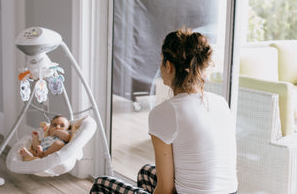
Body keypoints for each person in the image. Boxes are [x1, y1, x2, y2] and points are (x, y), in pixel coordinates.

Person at [90, 27, 238, 194]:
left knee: (101, 184)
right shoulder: (221, 102)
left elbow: (166, 190)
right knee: (147, 172)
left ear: (168, 66)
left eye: (161, 60)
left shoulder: (166, 112)